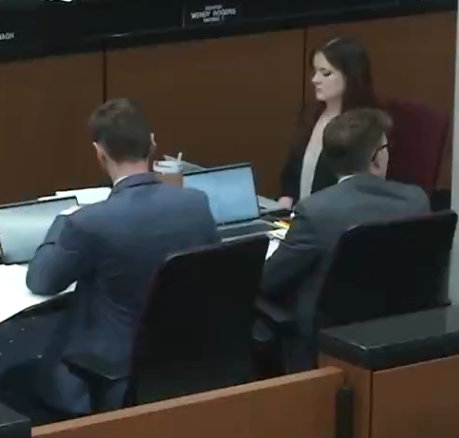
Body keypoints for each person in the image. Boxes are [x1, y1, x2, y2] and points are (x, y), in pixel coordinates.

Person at [25, 98, 219, 417]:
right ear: (152, 144)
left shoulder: (88, 222)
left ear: (99, 153)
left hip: (115, 364)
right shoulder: (196, 204)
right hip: (187, 357)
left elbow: (42, 281)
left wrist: (64, 219)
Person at [262, 108, 429, 371]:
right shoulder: (416, 200)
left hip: (327, 344)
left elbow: (267, 281)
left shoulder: (315, 211)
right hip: (401, 336)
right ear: (376, 159)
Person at [278, 37, 376, 208]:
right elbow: (291, 173)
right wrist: (286, 197)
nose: (315, 80)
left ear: (350, 77)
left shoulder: (365, 128)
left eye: (325, 73)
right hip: (298, 216)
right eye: (315, 71)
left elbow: (355, 193)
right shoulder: (310, 114)